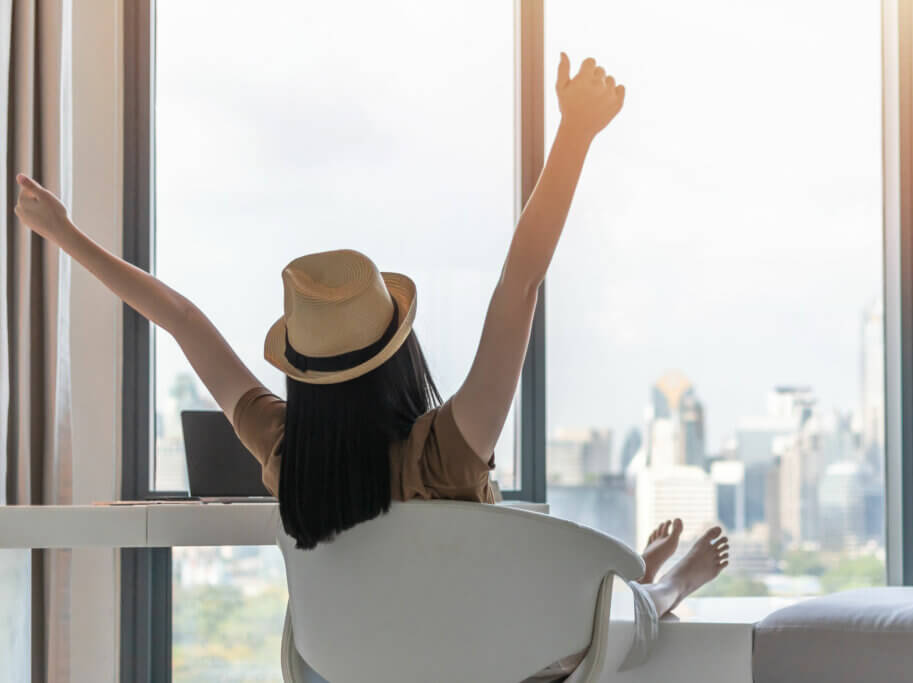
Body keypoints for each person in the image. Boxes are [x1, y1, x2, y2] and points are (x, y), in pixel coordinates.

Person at [14, 53, 728, 679]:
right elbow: (521, 283)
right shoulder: (447, 454)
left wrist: (63, 232)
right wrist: (574, 133)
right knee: (619, 612)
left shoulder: (287, 451)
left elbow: (181, 320)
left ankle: (652, 575)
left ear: (301, 372)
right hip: (491, 667)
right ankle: (665, 586)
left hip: (353, 671)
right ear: (399, 354)